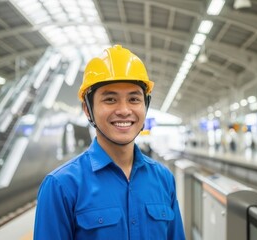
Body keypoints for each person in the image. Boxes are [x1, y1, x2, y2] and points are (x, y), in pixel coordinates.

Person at [34, 45, 185, 240]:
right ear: (88, 109)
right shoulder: (61, 186)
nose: (124, 110)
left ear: (145, 106)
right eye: (110, 99)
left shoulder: (163, 178)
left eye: (133, 99)